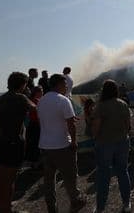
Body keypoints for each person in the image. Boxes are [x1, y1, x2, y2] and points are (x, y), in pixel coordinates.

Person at [37, 74, 86, 213]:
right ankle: (75, 201)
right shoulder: (63, 100)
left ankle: (52, 208)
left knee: (49, 181)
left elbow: (46, 121)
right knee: (69, 177)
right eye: (65, 85)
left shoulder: (41, 101)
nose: (66, 87)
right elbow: (71, 125)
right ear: (58, 84)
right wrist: (74, 141)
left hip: (45, 146)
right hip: (62, 145)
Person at [0, 72, 35, 213]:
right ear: (23, 85)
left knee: (2, 177)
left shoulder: (1, 98)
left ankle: (3, 206)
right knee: (10, 178)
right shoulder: (21, 98)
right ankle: (7, 209)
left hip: (1, 141)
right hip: (14, 142)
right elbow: (36, 108)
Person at [91, 80, 132, 213]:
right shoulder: (123, 104)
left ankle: (101, 208)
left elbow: (96, 127)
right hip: (122, 142)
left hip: (104, 143)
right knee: (123, 172)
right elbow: (128, 126)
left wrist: (95, 138)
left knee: (103, 174)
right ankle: (126, 204)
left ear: (104, 90)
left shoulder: (101, 106)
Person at [25, 86, 43, 168]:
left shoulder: (30, 100)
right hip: (36, 124)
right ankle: (36, 163)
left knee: (33, 143)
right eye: (41, 91)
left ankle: (34, 163)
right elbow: (38, 116)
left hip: (31, 124)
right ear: (37, 92)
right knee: (37, 143)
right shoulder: (36, 101)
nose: (42, 93)